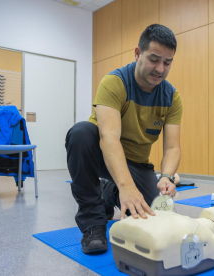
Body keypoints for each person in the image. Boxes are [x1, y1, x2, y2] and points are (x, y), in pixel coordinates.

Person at [65, 24, 182, 254]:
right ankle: (93, 224)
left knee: (153, 216)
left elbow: (172, 147)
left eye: (167, 62)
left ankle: (109, 193)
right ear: (138, 53)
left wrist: (167, 176)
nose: (160, 69)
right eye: (154, 59)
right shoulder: (114, 82)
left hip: (137, 164)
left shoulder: (172, 97)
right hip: (102, 154)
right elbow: (108, 138)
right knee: (80, 133)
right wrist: (128, 188)